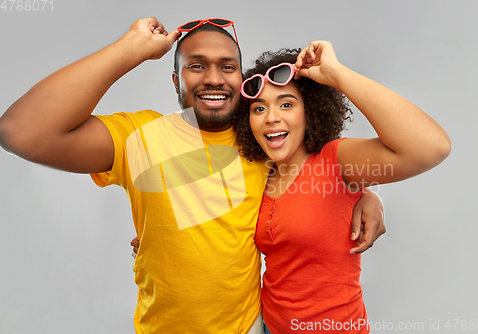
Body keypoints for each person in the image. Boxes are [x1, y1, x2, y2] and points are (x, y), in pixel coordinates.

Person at [0, 18, 386, 333]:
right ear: (176, 81)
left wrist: (365, 195)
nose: (214, 78)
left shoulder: (263, 140)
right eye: (196, 65)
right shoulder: (141, 137)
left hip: (250, 326)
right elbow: (21, 132)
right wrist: (127, 50)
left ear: (242, 80)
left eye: (228, 67)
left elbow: (321, 172)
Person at [233, 44, 451, 334]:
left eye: (286, 104)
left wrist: (337, 74)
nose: (271, 117)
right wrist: (368, 195)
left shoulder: (335, 160)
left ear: (309, 110)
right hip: (269, 326)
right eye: (259, 108)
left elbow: (431, 147)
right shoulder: (260, 171)